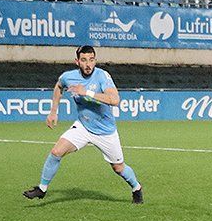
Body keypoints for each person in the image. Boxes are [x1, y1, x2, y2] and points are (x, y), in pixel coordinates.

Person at [23, 45, 144, 204]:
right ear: (77, 61)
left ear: (95, 60)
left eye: (92, 60)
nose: (88, 64)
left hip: (105, 131)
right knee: (56, 151)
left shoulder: (102, 76)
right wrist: (53, 111)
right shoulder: (69, 77)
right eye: (84, 60)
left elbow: (115, 100)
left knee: (118, 168)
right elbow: (59, 86)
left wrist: (86, 92)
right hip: (83, 127)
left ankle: (136, 188)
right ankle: (42, 188)